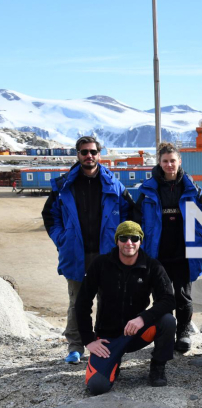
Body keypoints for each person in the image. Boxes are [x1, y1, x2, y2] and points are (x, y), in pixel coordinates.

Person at [42, 136, 133, 364]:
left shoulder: (114, 185)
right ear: (78, 155)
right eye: (84, 152)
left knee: (107, 300)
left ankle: (104, 342)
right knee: (77, 302)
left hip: (107, 254)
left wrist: (121, 243)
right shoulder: (64, 186)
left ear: (99, 155)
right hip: (75, 253)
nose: (88, 156)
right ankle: (75, 346)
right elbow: (50, 216)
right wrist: (62, 239)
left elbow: (128, 214)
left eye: (92, 151)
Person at [75, 222, 176, 395]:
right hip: (108, 339)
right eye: (124, 238)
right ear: (117, 241)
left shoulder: (153, 266)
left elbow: (168, 300)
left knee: (167, 320)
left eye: (134, 238)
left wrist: (143, 318)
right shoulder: (100, 264)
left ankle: (158, 366)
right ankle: (114, 362)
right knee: (97, 386)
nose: (129, 242)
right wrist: (89, 340)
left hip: (137, 333)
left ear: (140, 241)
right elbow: (82, 302)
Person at [135, 142, 202, 353]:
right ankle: (164, 336)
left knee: (183, 296)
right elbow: (136, 218)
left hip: (183, 254)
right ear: (159, 163)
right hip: (157, 254)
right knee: (161, 297)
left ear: (179, 162)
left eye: (173, 161)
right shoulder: (149, 189)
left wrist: (198, 238)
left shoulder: (191, 188)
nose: (169, 165)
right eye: (165, 161)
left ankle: (183, 333)